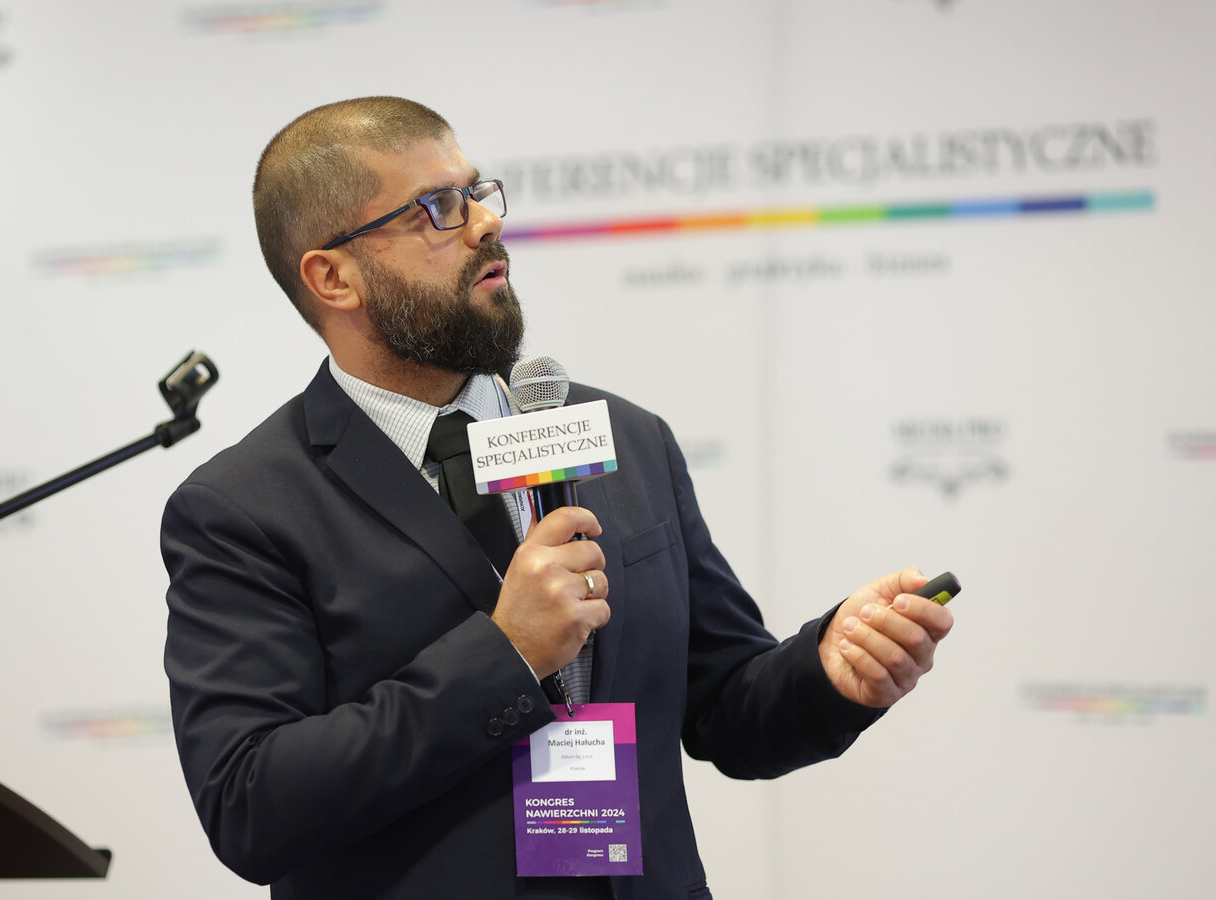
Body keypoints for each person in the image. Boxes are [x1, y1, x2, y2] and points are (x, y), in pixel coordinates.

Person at [161, 96, 954, 900]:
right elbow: (251, 804)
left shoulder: (628, 438)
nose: (484, 223)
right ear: (334, 277)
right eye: (437, 207)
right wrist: (505, 654)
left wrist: (829, 672)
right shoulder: (244, 508)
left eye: (477, 192)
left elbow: (725, 705)